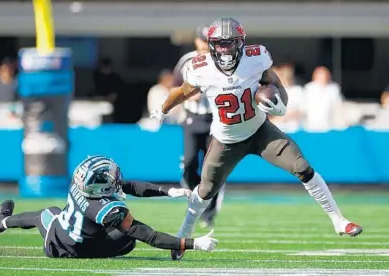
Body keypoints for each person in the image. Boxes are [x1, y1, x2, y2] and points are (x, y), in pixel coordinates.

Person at [150, 17, 362, 261]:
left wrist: (281, 104)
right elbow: (183, 91)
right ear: (211, 45)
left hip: (261, 131)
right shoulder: (200, 68)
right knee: (205, 190)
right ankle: (184, 235)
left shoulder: (256, 58)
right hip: (226, 140)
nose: (225, 50)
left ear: (240, 43)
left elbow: (273, 82)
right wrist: (163, 108)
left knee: (303, 168)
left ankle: (338, 220)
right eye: (220, 44)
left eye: (230, 44)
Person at [0, 156, 218, 258]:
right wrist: (192, 243)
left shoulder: (79, 184)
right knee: (129, 237)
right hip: (77, 249)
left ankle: (1, 222)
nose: (113, 176)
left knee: (46, 213)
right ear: (97, 188)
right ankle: (2, 221)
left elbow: (128, 186)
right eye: (107, 177)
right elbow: (148, 235)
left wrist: (167, 191)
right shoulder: (106, 209)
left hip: (62, 233)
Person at [172, 24, 225, 228]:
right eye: (203, 41)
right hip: (192, 118)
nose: (205, 45)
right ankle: (196, 200)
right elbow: (175, 86)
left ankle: (209, 212)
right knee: (189, 165)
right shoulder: (187, 60)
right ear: (196, 41)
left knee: (212, 168)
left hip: (216, 120)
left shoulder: (223, 60)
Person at [303, 66, 345, 131]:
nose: (323, 77)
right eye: (320, 74)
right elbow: (304, 108)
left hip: (329, 126)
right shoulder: (309, 88)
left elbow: (338, 106)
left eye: (325, 74)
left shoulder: (334, 89)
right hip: (311, 126)